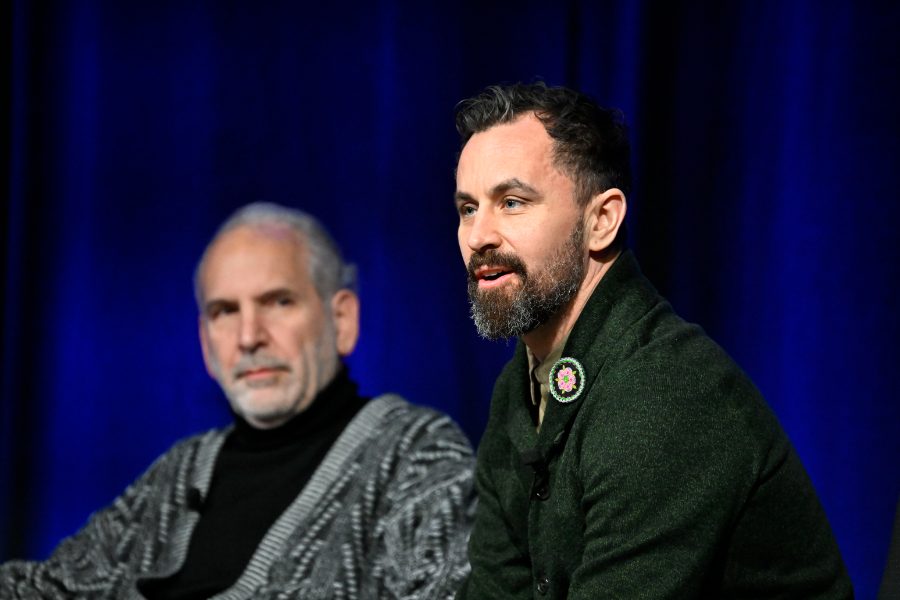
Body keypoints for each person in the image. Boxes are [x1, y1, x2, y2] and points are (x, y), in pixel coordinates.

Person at [452, 82, 852, 598]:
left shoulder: (666, 390)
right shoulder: (519, 385)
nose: (478, 236)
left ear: (602, 221)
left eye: (511, 202)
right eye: (468, 208)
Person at [0, 202, 475, 599]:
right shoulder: (178, 473)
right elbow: (46, 588)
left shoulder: (413, 454)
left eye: (278, 302)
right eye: (225, 312)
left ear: (342, 320)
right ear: (205, 343)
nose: (249, 337)